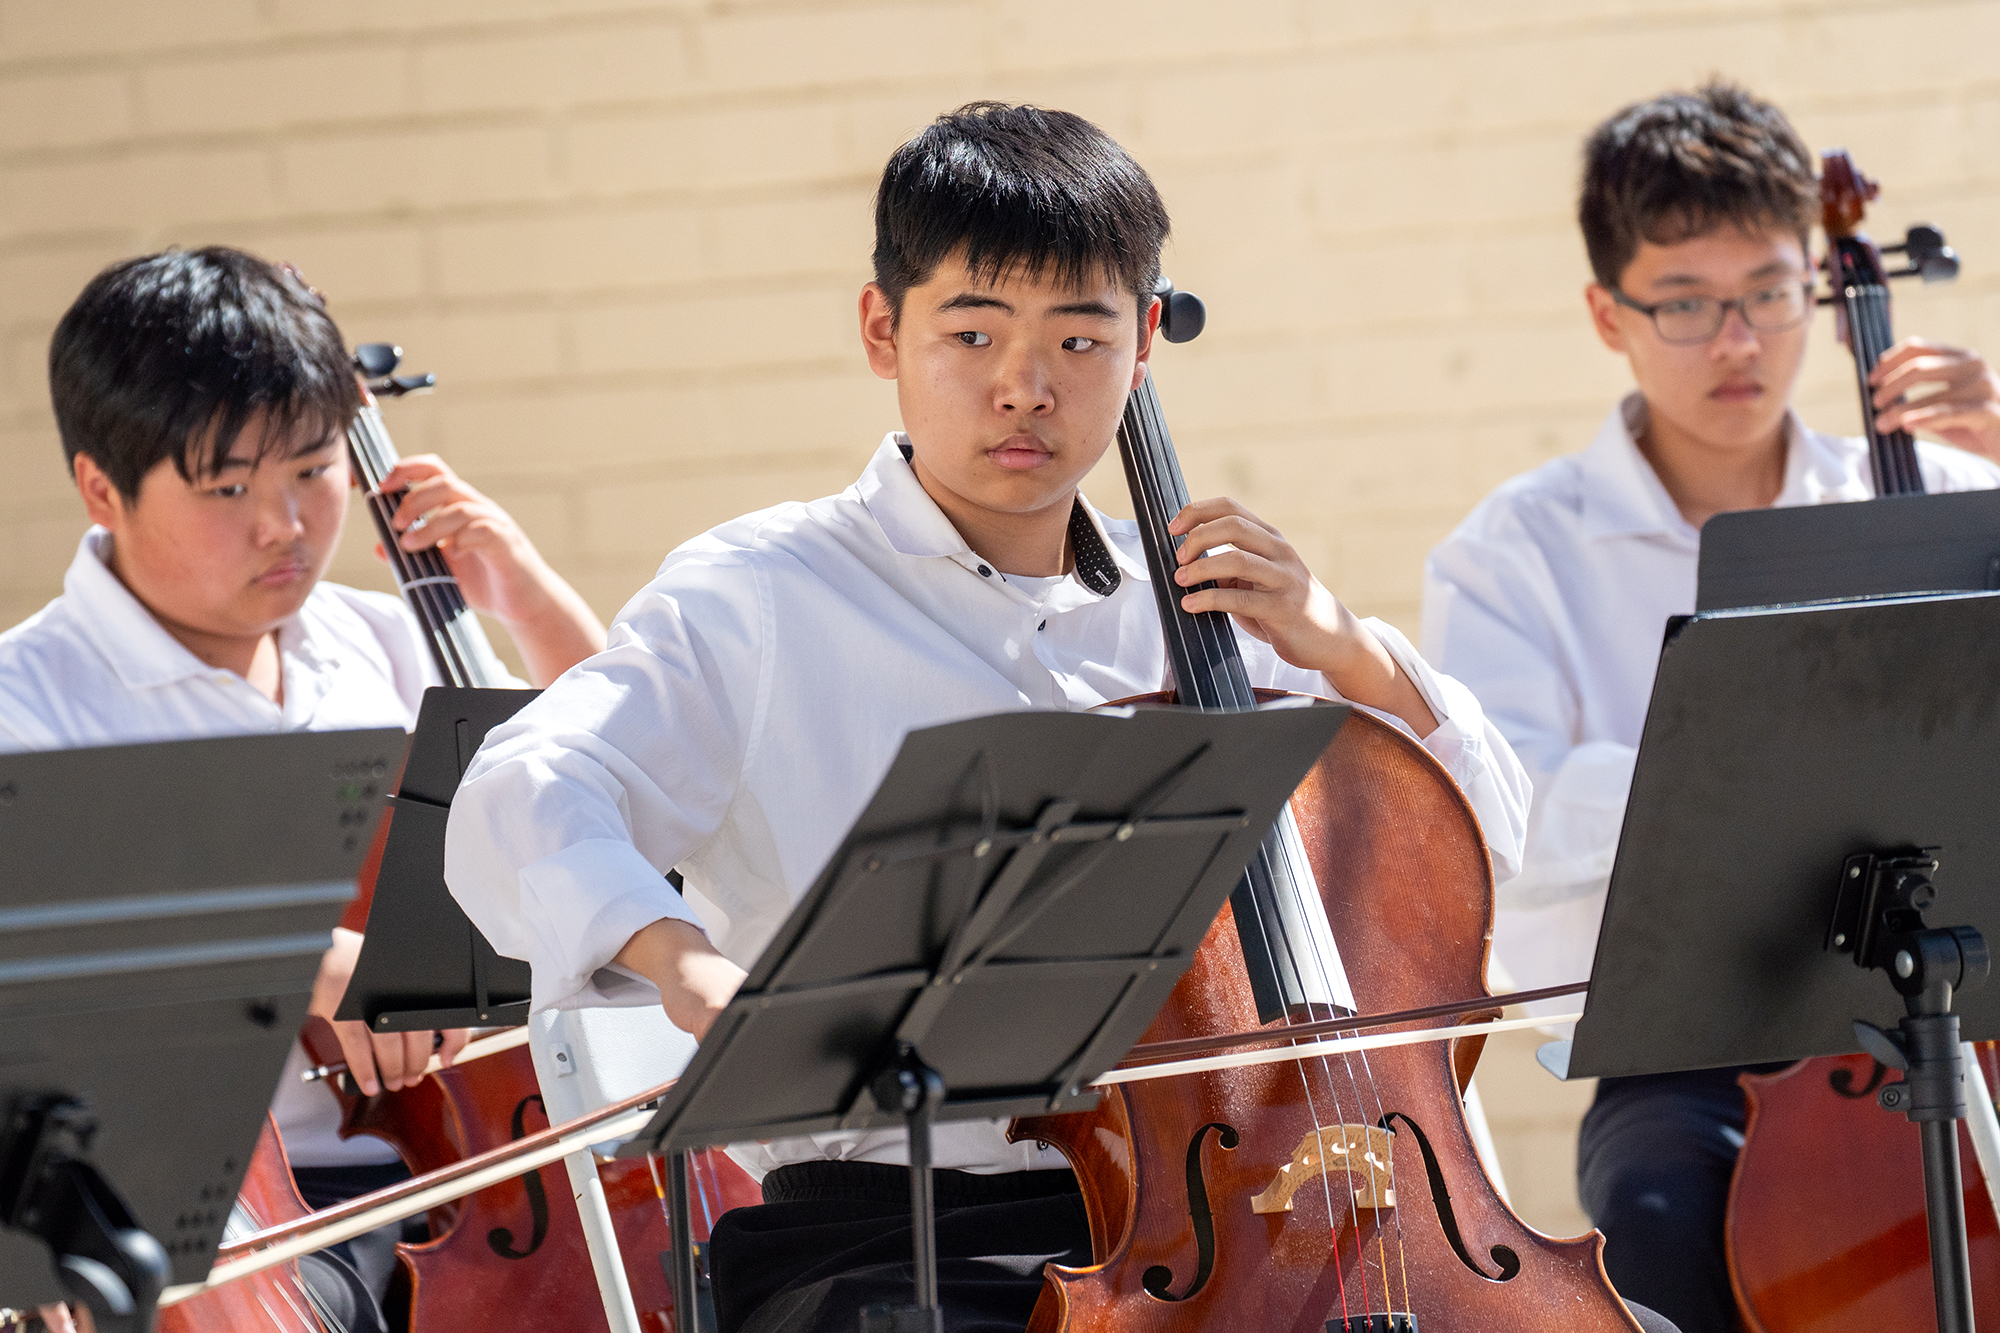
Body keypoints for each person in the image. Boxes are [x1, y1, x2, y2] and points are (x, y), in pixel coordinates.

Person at [442, 102, 1542, 1333]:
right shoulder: (754, 595)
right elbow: (524, 785)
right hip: (895, 1235)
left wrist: (1352, 654)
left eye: (1081, 339)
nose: (1026, 387)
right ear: (882, 330)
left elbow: (1484, 862)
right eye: (972, 332)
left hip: (1237, 1225)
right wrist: (677, 955)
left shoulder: (1196, 607)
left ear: (1141, 356)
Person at [1421, 82, 2000, 1333]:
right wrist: (1737, 766)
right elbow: (1494, 816)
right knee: (1662, 1224)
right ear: (1606, 313)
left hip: (1965, 1011)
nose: (1736, 341)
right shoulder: (1511, 555)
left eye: (1770, 293)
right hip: (1685, 1056)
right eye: (1684, 302)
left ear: (1817, 285)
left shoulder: (1947, 485)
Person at [0, 245, 607, 1329]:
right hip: (223, 1230)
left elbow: (606, 792)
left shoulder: (387, 640)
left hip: (468, 1178)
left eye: (315, 469)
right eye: (229, 486)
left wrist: (526, 597)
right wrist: (322, 962)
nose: (285, 524)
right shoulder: (27, 703)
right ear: (102, 485)